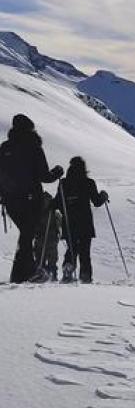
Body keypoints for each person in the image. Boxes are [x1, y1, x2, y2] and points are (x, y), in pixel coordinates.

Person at [0, 114, 63, 283]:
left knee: (26, 234)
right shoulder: (34, 147)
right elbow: (45, 176)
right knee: (28, 234)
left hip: (10, 201)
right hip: (31, 199)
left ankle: (22, 272)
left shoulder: (5, 147)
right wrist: (57, 172)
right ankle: (26, 273)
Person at [54, 157, 108, 284]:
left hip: (68, 220)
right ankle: (85, 276)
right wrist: (104, 196)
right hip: (85, 221)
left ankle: (68, 268)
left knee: (72, 247)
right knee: (84, 250)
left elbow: (58, 202)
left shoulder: (64, 183)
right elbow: (97, 202)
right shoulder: (89, 182)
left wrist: (54, 206)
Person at [32, 191, 62, 281]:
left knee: (43, 256)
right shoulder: (50, 211)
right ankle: (49, 273)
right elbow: (59, 223)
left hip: (45, 237)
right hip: (48, 237)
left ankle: (47, 273)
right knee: (48, 257)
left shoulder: (40, 211)